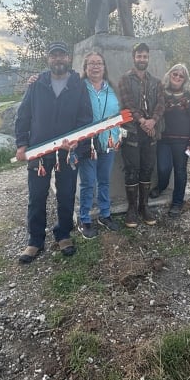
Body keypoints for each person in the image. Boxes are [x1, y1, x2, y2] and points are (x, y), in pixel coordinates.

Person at [15, 41, 93, 264]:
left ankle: (64, 235)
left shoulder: (78, 85)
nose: (58, 59)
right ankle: (35, 241)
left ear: (68, 58)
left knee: (66, 194)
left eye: (61, 55)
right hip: (39, 151)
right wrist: (22, 144)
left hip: (66, 152)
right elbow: (23, 116)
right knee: (37, 196)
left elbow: (85, 117)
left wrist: (76, 140)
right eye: (54, 56)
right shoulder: (37, 84)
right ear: (48, 59)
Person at [118, 42, 164, 227]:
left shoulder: (156, 82)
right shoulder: (125, 80)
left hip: (151, 132)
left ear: (148, 58)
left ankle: (144, 206)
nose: (142, 59)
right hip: (131, 131)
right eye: (139, 56)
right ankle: (131, 209)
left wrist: (153, 120)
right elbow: (128, 104)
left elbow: (161, 103)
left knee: (147, 169)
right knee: (131, 170)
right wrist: (144, 121)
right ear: (134, 57)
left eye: (145, 56)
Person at [76, 51, 122, 239]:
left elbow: (119, 113)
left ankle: (105, 214)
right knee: (88, 183)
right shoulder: (78, 88)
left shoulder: (111, 89)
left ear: (104, 67)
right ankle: (84, 218)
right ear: (85, 68)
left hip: (108, 142)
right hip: (88, 144)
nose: (95, 67)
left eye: (99, 63)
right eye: (91, 64)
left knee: (104, 180)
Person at [151, 64, 190, 218]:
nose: (177, 77)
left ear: (185, 79)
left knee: (180, 171)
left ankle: (177, 203)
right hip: (164, 139)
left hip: (183, 141)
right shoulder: (161, 94)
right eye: (175, 73)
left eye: (181, 75)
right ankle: (162, 186)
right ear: (169, 74)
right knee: (163, 167)